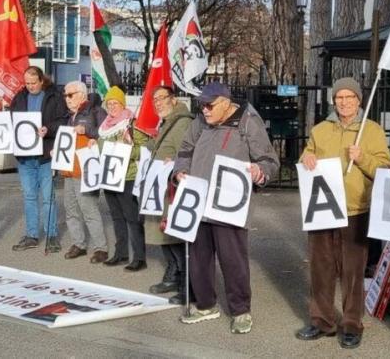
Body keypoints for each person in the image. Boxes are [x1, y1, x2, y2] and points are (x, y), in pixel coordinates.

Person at [173, 82, 279, 334]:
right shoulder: (199, 122)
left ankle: (241, 310)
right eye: (202, 105)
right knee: (198, 257)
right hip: (198, 199)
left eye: (209, 105)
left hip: (229, 204)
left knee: (233, 259)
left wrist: (260, 172)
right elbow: (185, 150)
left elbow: (269, 160)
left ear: (225, 102)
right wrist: (179, 171)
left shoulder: (248, 122)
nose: (205, 110)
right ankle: (206, 304)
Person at [295, 77, 390, 349]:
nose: (345, 102)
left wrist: (362, 159)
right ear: (333, 101)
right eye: (340, 98)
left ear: (359, 100)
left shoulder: (371, 130)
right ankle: (321, 321)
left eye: (350, 97)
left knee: (352, 271)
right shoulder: (320, 130)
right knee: (320, 268)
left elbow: (383, 169)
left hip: (355, 209)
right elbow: (305, 157)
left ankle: (351, 324)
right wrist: (307, 158)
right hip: (322, 209)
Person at [144, 86, 194, 304]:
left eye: (162, 98)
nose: (158, 103)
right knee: (163, 233)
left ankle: (186, 284)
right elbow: (157, 146)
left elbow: (186, 152)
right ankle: (174, 274)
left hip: (173, 186)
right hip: (160, 184)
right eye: (155, 100)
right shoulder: (167, 122)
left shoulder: (182, 122)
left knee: (173, 235)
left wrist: (175, 164)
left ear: (173, 100)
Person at [10, 66, 68, 253]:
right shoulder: (19, 98)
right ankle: (31, 235)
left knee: (48, 197)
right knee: (29, 197)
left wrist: (48, 129)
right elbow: (10, 123)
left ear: (42, 80)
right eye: (27, 83)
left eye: (33, 83)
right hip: (25, 157)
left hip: (45, 155)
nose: (30, 86)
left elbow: (63, 121)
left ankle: (51, 236)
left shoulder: (54, 96)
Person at [98, 85, 150, 271]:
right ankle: (120, 253)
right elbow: (100, 148)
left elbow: (144, 149)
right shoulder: (104, 126)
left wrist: (128, 147)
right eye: (109, 103)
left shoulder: (132, 123)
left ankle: (139, 257)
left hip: (128, 177)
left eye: (115, 103)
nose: (112, 106)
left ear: (122, 104)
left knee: (132, 218)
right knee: (116, 217)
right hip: (109, 177)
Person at [61, 80, 108, 263]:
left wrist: (86, 129)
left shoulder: (95, 111)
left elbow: (105, 132)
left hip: (86, 171)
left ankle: (101, 248)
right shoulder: (70, 116)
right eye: (65, 95)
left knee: (89, 210)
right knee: (71, 210)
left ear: (82, 94)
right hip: (69, 170)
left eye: (70, 95)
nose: (67, 99)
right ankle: (78, 244)